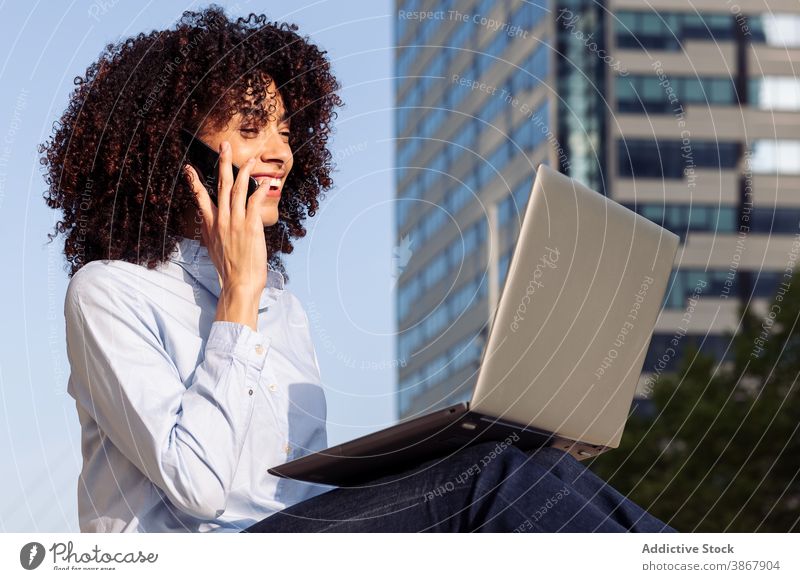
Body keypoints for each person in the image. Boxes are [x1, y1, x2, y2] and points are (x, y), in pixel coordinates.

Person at [42, 5, 676, 533]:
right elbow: (201, 487)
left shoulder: (279, 303)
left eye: (286, 132)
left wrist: (416, 458)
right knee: (496, 482)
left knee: (532, 467)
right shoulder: (108, 292)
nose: (280, 153)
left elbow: (295, 495)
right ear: (169, 148)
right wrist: (238, 297)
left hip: (299, 541)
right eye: (252, 128)